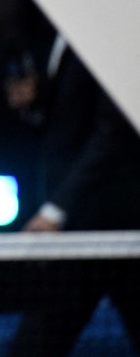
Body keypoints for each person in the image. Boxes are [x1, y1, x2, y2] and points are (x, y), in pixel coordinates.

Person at [7, 35, 140, 355]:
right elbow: (70, 125)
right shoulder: (57, 37)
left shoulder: (112, 37)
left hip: (114, 227)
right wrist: (33, 103)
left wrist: (56, 211)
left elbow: (113, 134)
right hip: (78, 234)